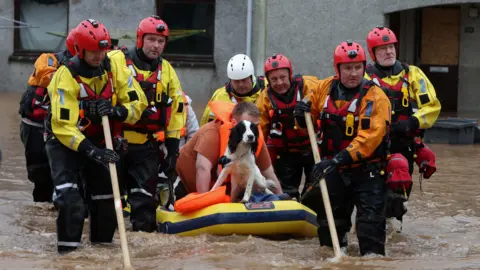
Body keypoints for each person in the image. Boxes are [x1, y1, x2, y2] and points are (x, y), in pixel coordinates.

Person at [45, 19, 147, 253]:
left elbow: (137, 102)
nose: (99, 56)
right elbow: (63, 127)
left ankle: (101, 255)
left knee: (106, 203)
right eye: (93, 51)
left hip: (102, 140)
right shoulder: (65, 76)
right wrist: (92, 152)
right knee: (71, 202)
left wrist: (117, 111)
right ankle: (68, 258)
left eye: (103, 50)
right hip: (66, 145)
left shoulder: (115, 68)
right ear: (80, 50)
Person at [295, 41, 391, 256]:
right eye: (348, 68)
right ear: (337, 69)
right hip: (335, 170)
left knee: (370, 230)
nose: (353, 73)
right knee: (330, 229)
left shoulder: (376, 97)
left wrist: (336, 160)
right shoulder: (324, 89)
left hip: (368, 171)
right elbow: (309, 126)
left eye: (358, 67)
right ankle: (336, 254)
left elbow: (368, 139)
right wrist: (301, 118)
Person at [109, 15, 187, 232]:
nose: (156, 45)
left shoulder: (168, 71)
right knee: (106, 202)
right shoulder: (115, 60)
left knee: (144, 204)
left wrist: (173, 151)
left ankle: (142, 252)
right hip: (114, 142)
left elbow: (176, 113)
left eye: (161, 41)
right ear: (139, 38)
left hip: (146, 147)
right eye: (151, 39)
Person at [365, 26, 441, 226]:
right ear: (372, 53)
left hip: (403, 143)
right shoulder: (364, 77)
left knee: (397, 199)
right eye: (382, 48)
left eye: (391, 47)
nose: (389, 52)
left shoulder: (412, 74)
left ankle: (391, 231)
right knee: (371, 198)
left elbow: (431, 106)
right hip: (373, 145)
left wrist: (412, 122)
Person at [18, 28, 77, 203]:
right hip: (35, 126)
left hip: (61, 128)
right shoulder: (50, 61)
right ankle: (42, 212)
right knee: (41, 178)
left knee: (65, 175)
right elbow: (49, 79)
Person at [176, 101, 283, 196]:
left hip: (226, 190)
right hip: (187, 185)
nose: (251, 130)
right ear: (234, 123)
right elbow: (202, 168)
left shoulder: (254, 136)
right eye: (247, 126)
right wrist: (204, 202)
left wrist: (281, 198)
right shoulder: (211, 134)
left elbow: (268, 172)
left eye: (254, 126)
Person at [256, 54, 323, 199]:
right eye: (274, 79)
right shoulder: (265, 100)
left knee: (315, 191)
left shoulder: (310, 86)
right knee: (287, 193)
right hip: (286, 153)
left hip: (313, 148)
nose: (279, 83)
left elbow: (327, 98)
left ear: (290, 75)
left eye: (283, 77)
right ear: (268, 80)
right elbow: (259, 133)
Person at [200, 54, 267, 125]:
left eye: (244, 80)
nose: (241, 84)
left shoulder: (267, 87)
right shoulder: (220, 96)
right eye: (236, 81)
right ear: (230, 80)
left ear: (251, 77)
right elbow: (207, 127)